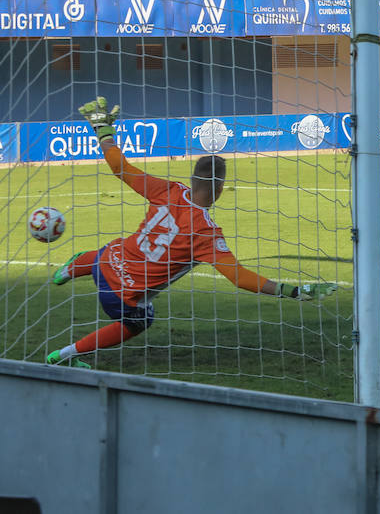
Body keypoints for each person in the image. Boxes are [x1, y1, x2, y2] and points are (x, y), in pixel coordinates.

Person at [44, 96, 337, 368]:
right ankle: (65, 355)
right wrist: (293, 291)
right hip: (122, 296)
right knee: (140, 321)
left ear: (192, 179)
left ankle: (69, 270)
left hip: (102, 262)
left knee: (112, 248)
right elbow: (239, 277)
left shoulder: (169, 189)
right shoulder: (206, 233)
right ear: (219, 190)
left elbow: (121, 167)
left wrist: (103, 132)